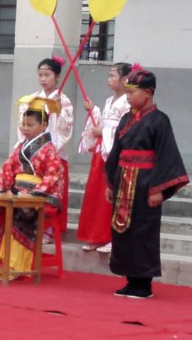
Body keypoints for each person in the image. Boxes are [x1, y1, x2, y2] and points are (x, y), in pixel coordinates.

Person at [105, 70, 189, 299]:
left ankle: (144, 284)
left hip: (145, 184)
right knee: (124, 231)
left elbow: (167, 155)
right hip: (123, 181)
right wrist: (110, 183)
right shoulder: (126, 119)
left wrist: (159, 190)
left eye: (132, 92)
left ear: (148, 93)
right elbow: (116, 152)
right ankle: (130, 279)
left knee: (143, 231)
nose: (128, 97)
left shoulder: (160, 121)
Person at [0, 97, 64, 280]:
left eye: (30, 125)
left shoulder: (50, 150)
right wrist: (3, 188)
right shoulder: (21, 147)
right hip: (17, 193)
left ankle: (14, 265)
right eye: (24, 124)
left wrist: (35, 193)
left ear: (44, 125)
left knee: (20, 216)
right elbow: (8, 166)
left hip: (39, 198)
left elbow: (53, 175)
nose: (25, 128)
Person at [77, 63, 132, 253]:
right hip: (102, 150)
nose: (109, 79)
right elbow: (103, 123)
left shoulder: (128, 102)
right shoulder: (109, 100)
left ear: (125, 79)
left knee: (111, 194)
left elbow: (128, 128)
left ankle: (111, 236)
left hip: (115, 152)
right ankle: (95, 235)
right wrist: (93, 111)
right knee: (96, 192)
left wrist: (105, 131)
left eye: (112, 75)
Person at [17, 57, 73, 234]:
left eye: (47, 75)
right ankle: (30, 226)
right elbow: (23, 123)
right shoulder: (32, 99)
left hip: (52, 153)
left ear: (57, 77)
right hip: (34, 154)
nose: (43, 79)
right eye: (40, 75)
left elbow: (66, 127)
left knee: (51, 190)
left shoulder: (63, 99)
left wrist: (58, 111)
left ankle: (49, 229)